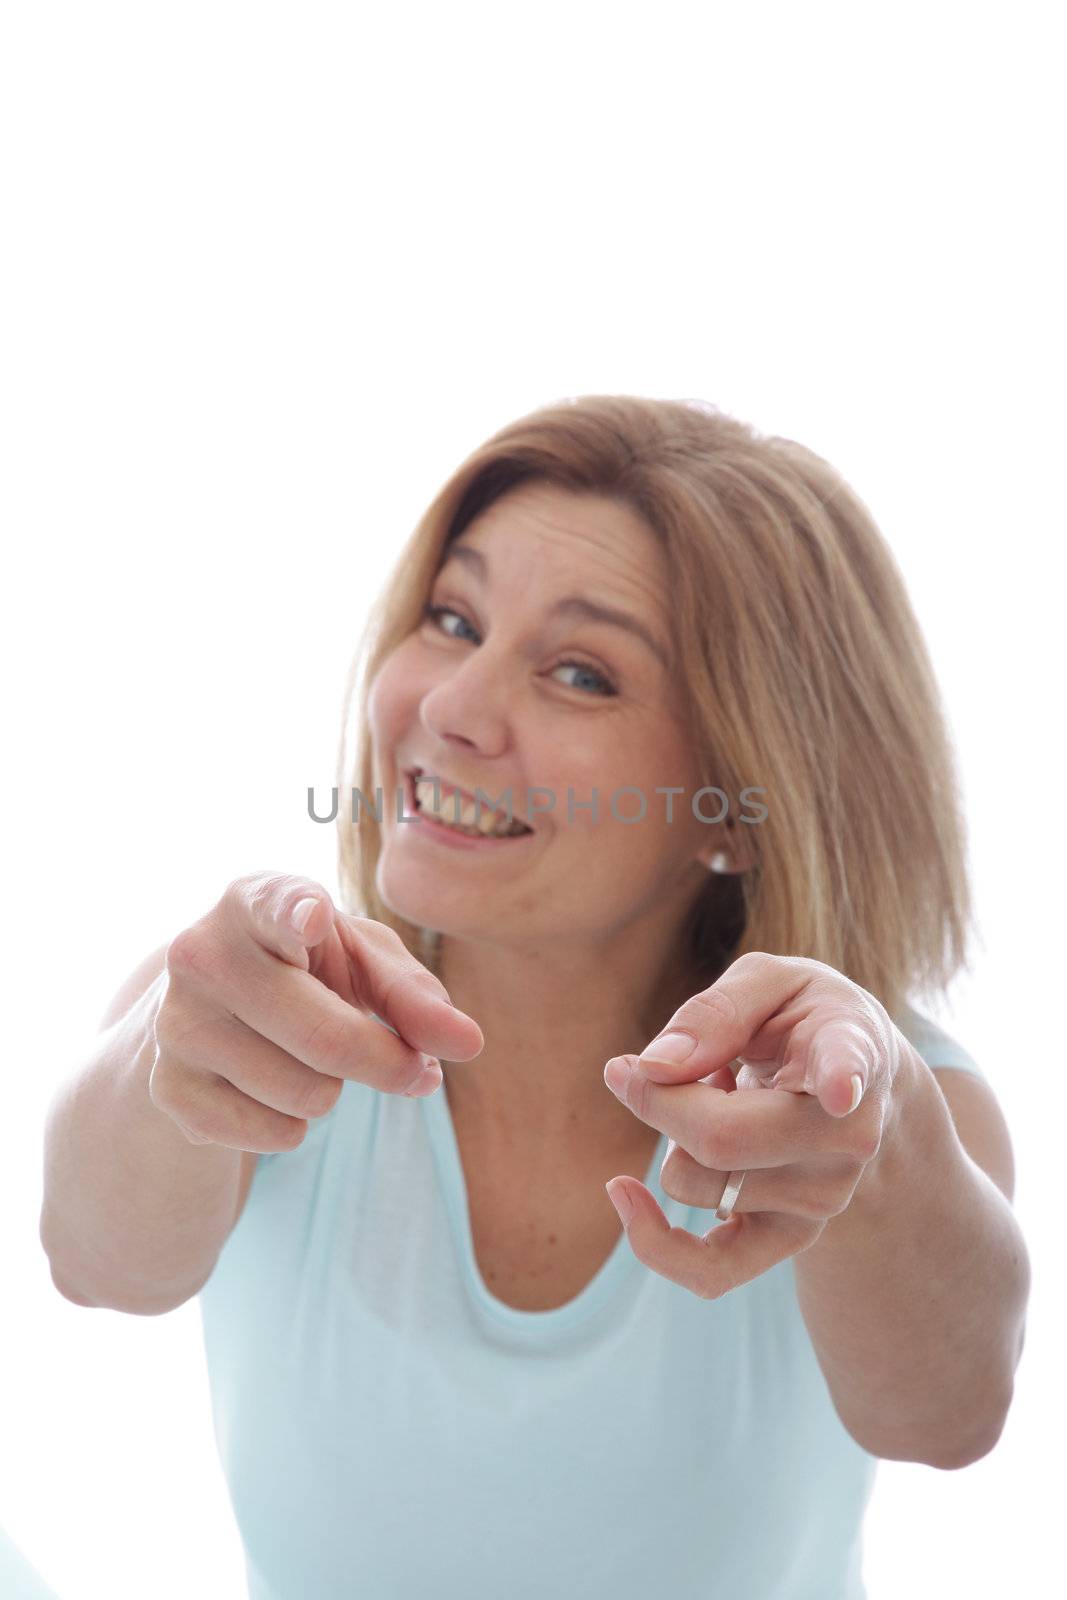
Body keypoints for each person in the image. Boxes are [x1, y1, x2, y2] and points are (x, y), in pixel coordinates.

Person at [40, 395, 1028, 1599]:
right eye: (452, 618)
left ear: (737, 796)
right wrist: (162, 1063)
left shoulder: (865, 1105)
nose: (448, 708)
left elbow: (950, 1413)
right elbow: (93, 1260)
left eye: (577, 672)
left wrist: (879, 1147)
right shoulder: (242, 1007)